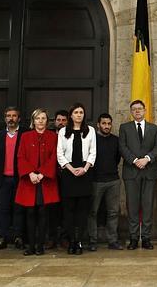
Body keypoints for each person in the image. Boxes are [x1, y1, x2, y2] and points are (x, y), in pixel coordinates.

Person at [15, 108, 60, 256]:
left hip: (45, 181)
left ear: (47, 121)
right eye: (37, 118)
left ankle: (40, 245)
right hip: (29, 181)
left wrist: (42, 174)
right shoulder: (25, 136)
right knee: (29, 213)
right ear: (33, 121)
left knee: (43, 213)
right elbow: (21, 156)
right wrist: (30, 173)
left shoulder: (53, 136)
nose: (40, 121)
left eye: (43, 118)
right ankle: (31, 246)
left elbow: (54, 157)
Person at [119, 100, 157, 250]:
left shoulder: (154, 128)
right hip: (131, 172)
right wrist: (135, 160)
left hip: (149, 172)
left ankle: (147, 238)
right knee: (133, 206)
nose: (137, 111)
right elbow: (122, 147)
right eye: (134, 109)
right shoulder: (124, 128)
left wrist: (146, 159)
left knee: (148, 205)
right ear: (131, 112)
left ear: (145, 110)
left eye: (140, 109)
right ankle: (134, 238)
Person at [57, 103, 96, 255]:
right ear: (71, 115)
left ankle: (79, 241)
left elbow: (93, 152)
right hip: (68, 173)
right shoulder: (63, 132)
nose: (79, 115)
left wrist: (85, 168)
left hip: (84, 173)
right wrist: (71, 168)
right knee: (68, 211)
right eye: (76, 112)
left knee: (82, 211)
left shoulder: (90, 130)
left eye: (81, 112)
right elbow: (59, 153)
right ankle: (71, 240)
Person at [0, 107, 26, 250]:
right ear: (5, 118)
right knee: (3, 209)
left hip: (19, 178)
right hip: (3, 179)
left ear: (19, 118)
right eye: (8, 116)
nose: (11, 118)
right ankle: (2, 237)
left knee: (19, 209)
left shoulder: (24, 134)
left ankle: (18, 237)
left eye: (14, 116)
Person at [88, 113, 123, 251]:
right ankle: (92, 240)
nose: (106, 126)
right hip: (96, 180)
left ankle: (112, 240)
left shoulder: (116, 140)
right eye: (104, 123)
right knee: (93, 212)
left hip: (113, 180)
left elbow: (117, 159)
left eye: (109, 124)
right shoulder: (92, 139)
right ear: (98, 124)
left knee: (113, 212)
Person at [45, 109, 69, 250]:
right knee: (51, 209)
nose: (60, 123)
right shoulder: (49, 136)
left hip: (67, 176)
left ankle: (65, 238)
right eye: (58, 120)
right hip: (50, 177)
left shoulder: (71, 135)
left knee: (66, 209)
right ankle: (51, 238)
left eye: (63, 120)